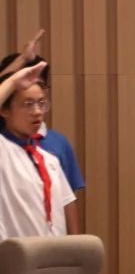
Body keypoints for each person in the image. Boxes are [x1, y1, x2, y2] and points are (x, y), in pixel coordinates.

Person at [1, 30, 85, 231]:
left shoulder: (49, 159)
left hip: (52, 250)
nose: (37, 112)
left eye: (41, 103)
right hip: (16, 251)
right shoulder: (3, 150)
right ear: (4, 110)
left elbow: (66, 203)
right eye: (28, 104)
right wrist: (13, 79)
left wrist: (75, 246)